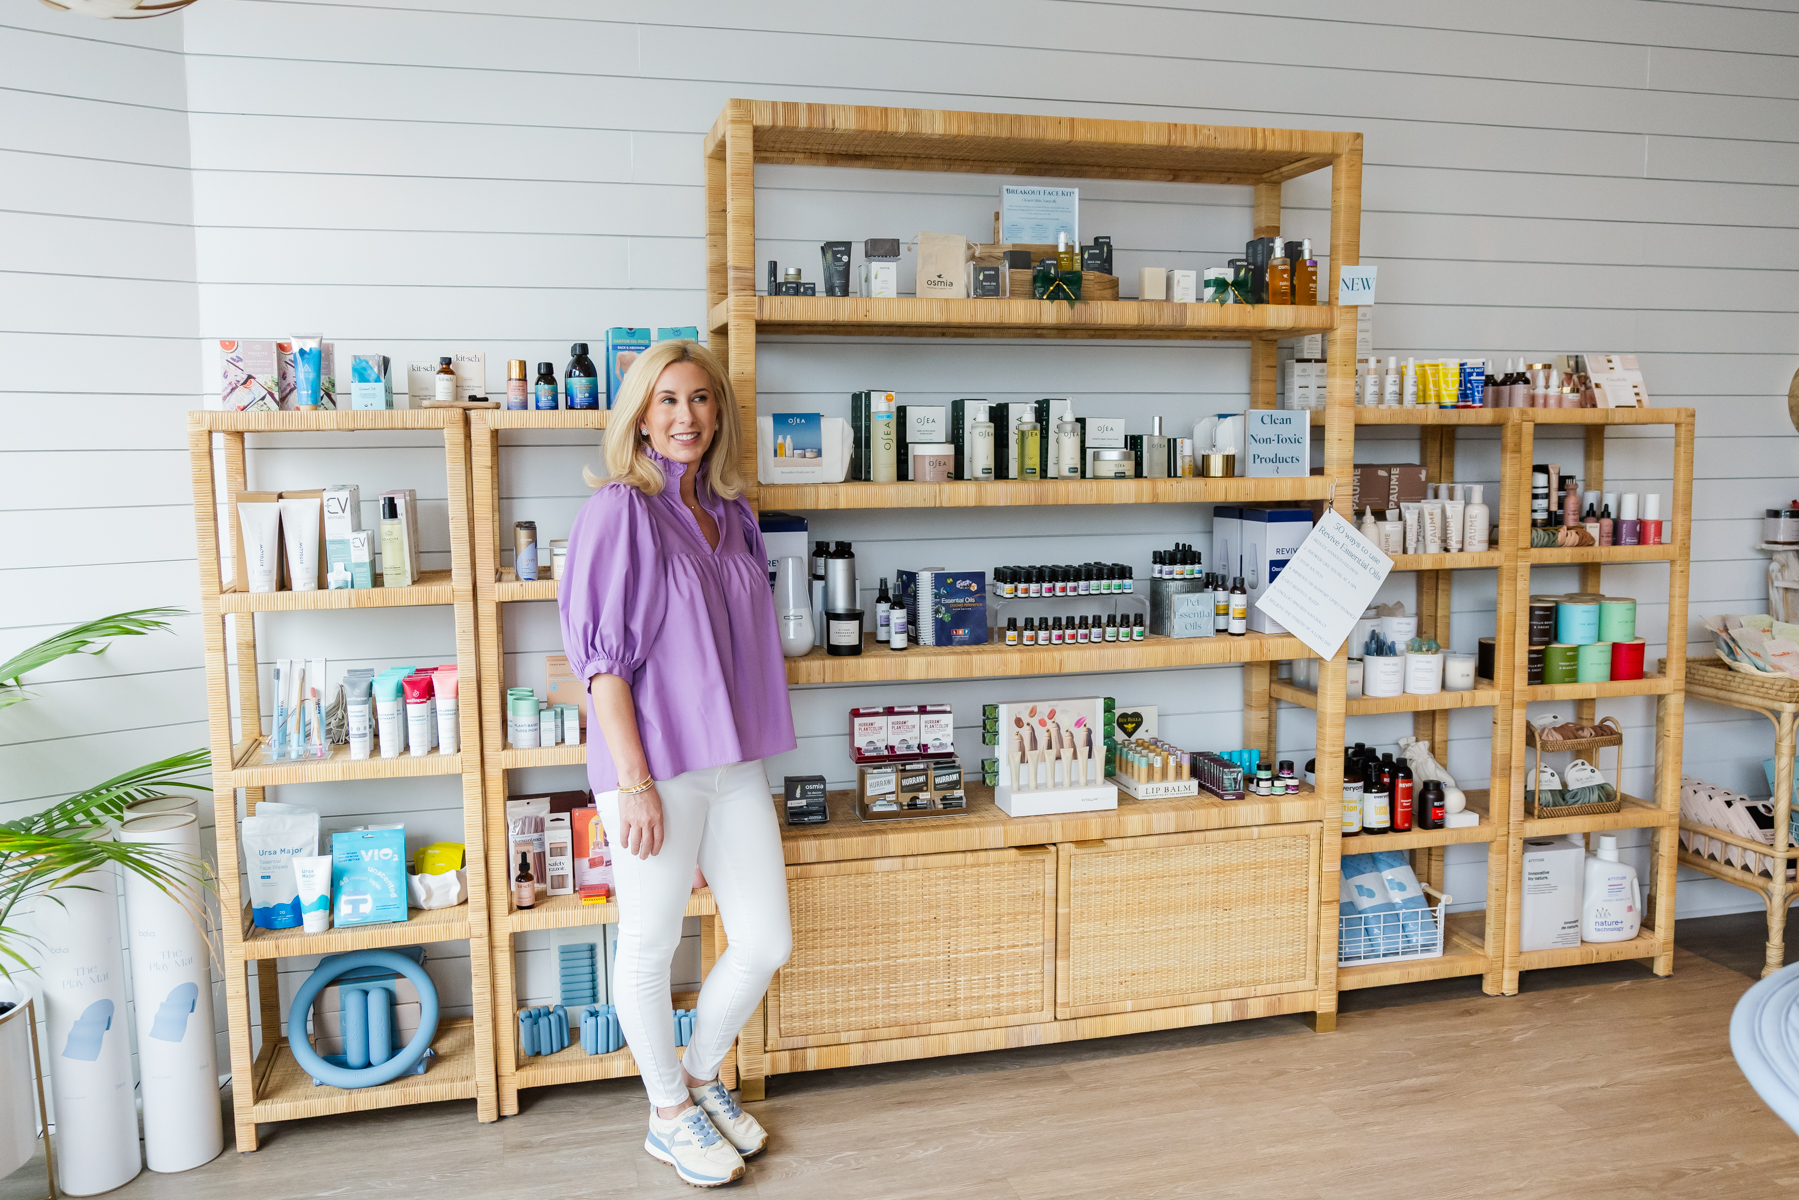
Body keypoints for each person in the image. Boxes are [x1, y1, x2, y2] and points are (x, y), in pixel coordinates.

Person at [559, 339, 795, 1188]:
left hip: (732, 758)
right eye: (666, 400)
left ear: (718, 412)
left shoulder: (733, 512)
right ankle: (666, 1115)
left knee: (765, 939)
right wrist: (633, 784)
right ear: (639, 417)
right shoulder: (621, 509)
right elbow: (602, 666)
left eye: (699, 398)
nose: (685, 416)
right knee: (650, 943)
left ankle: (696, 1077)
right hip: (653, 765)